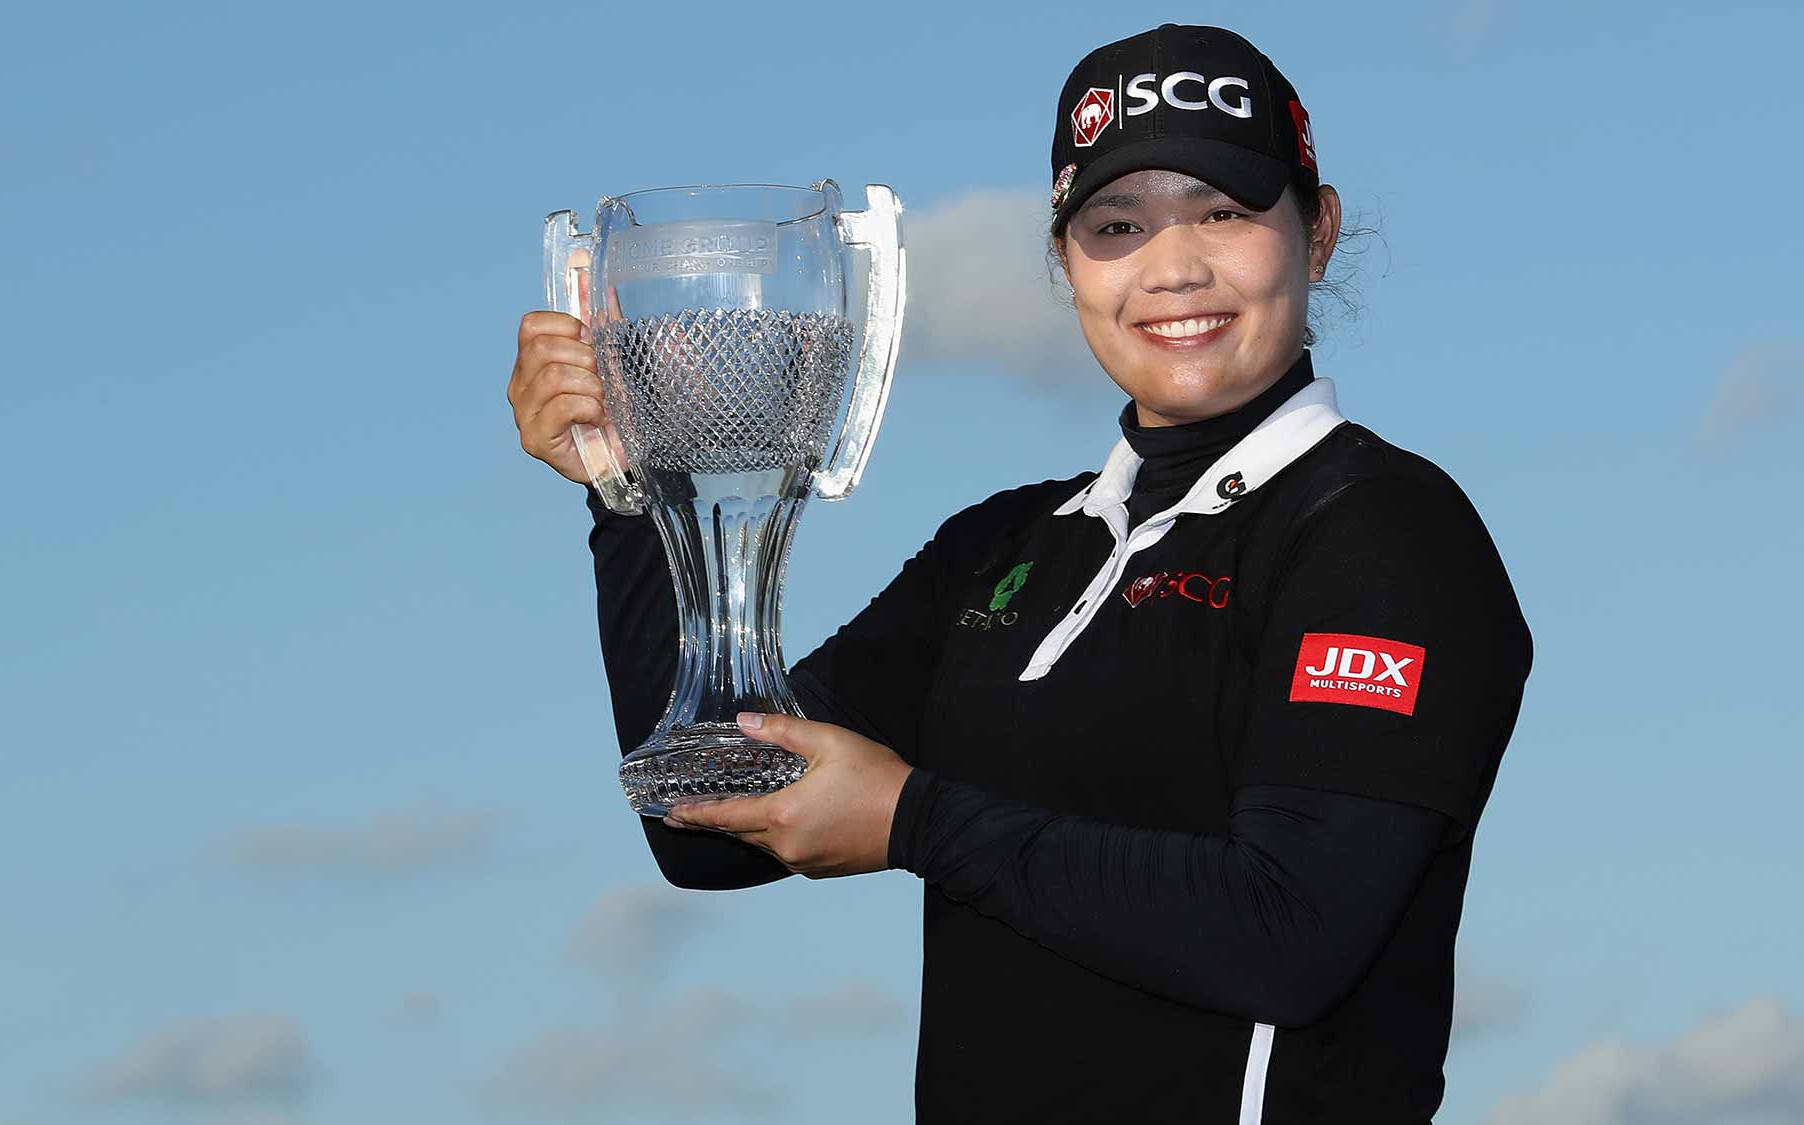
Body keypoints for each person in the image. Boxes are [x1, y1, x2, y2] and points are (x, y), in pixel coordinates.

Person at [507, 22, 1530, 1124]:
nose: (1171, 267)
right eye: (1116, 225)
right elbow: (703, 823)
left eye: (1224, 212)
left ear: (1315, 233)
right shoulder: (999, 549)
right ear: (1064, 261)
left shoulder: (1378, 529)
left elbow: (1290, 937)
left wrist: (913, 821)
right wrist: (630, 491)